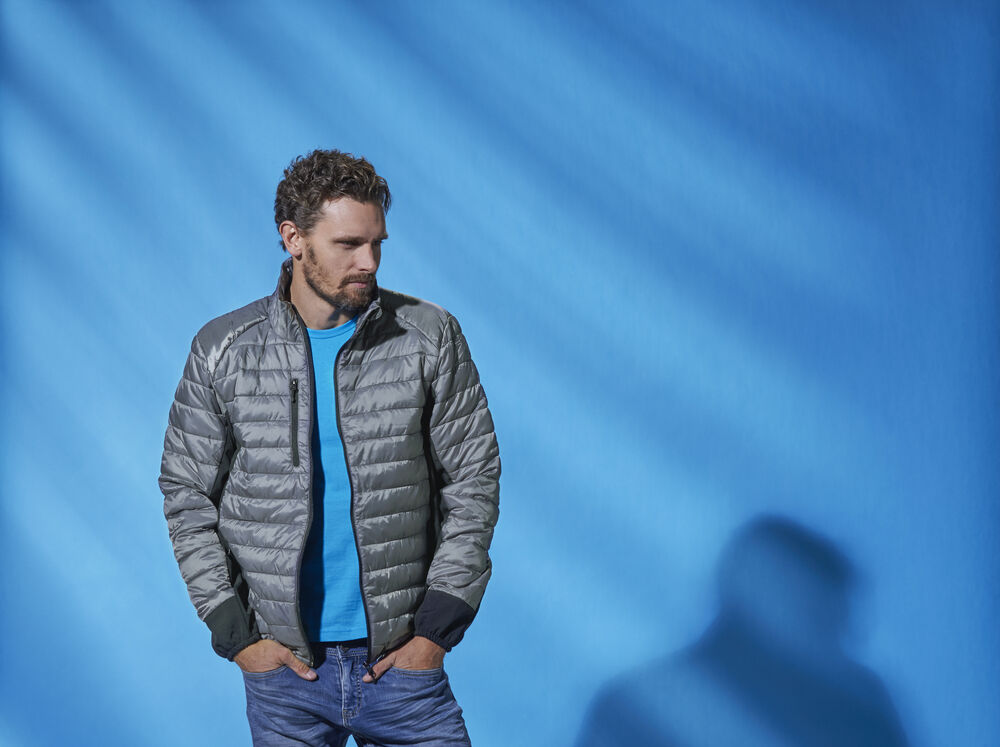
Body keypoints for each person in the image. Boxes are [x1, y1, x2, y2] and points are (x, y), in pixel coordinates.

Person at [158, 149, 500, 746]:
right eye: (348, 244)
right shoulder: (224, 349)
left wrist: (435, 631)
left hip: (401, 664)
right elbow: (185, 494)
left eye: (377, 244)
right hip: (285, 673)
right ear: (293, 238)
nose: (369, 262)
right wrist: (238, 637)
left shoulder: (427, 337)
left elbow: (473, 480)